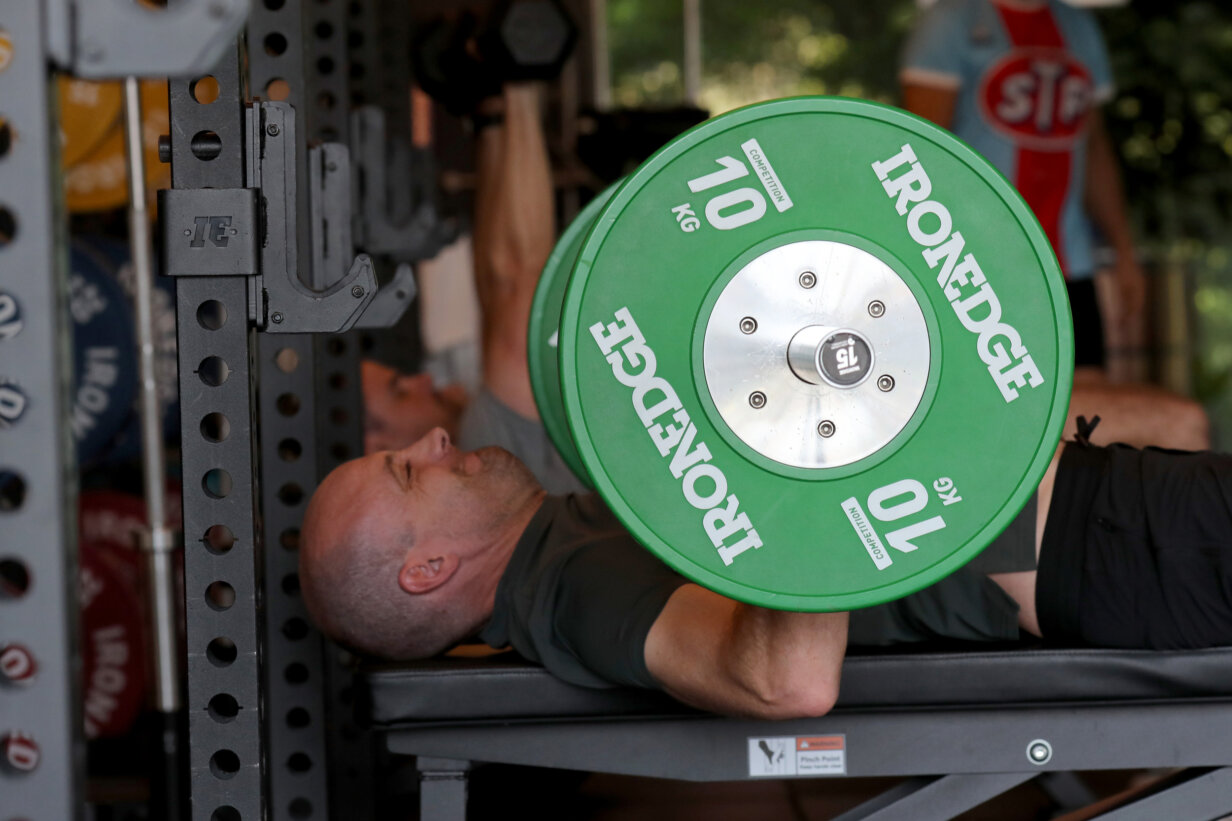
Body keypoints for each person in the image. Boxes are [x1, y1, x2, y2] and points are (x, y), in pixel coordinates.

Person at [299, 403, 1232, 719]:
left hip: (1116, 521)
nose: (429, 437)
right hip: (1113, 550)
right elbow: (786, 682)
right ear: (425, 570)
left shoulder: (571, 537)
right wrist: (800, 451)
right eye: (406, 471)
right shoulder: (575, 593)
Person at [361, 82, 586, 494]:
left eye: (404, 378)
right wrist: (520, 88)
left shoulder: (477, 435)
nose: (423, 380)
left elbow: (495, 291)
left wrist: (493, 120)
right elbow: (522, 282)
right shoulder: (485, 455)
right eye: (401, 392)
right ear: (380, 445)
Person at [900, 0, 1146, 378]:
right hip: (973, 262)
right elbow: (921, 149)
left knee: (1084, 402)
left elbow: (1094, 146)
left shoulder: (1079, 25)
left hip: (1069, 261)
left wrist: (1124, 252)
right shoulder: (951, 20)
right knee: (987, 395)